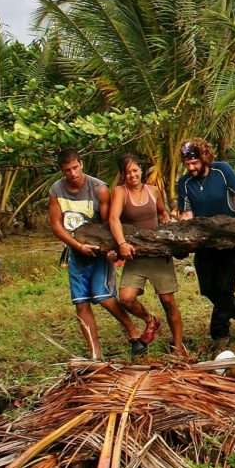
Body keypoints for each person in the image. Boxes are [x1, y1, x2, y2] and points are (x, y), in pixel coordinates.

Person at [48, 148, 145, 360]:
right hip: (77, 251)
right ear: (62, 171)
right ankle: (95, 354)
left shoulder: (98, 188)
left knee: (103, 296)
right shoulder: (56, 190)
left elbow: (108, 222)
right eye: (67, 170)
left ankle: (133, 330)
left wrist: (111, 251)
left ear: (81, 164)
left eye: (75, 168)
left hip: (100, 251)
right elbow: (56, 225)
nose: (73, 173)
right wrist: (77, 245)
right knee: (81, 303)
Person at [176, 138, 235, 352]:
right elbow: (186, 214)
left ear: (204, 158)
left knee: (224, 288)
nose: (191, 168)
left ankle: (220, 334)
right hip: (204, 243)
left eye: (194, 163)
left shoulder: (222, 170)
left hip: (230, 240)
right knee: (208, 289)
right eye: (187, 164)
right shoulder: (184, 183)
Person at [108, 154, 188, 357]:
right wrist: (122, 243)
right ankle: (150, 320)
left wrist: (167, 223)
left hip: (158, 254)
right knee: (126, 298)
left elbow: (162, 213)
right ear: (123, 174)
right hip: (136, 255)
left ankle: (178, 346)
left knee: (168, 301)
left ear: (141, 170)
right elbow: (114, 219)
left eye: (135, 170)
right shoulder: (120, 192)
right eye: (128, 172)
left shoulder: (153, 191)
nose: (132, 175)